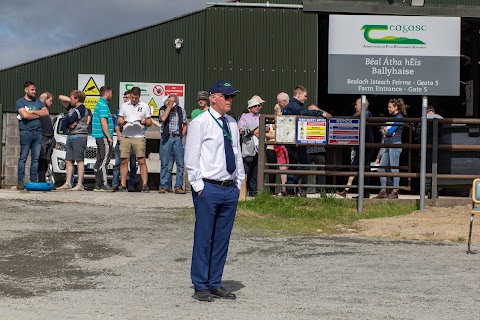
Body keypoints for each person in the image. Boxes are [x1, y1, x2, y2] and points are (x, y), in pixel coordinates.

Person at [184, 80, 245, 302]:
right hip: (208, 188)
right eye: (226, 96)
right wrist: (199, 186)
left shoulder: (230, 122)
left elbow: (236, 153)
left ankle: (215, 282)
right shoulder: (200, 122)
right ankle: (200, 284)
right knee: (204, 237)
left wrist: (239, 182)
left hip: (229, 188)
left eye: (232, 97)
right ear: (213, 97)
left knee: (222, 238)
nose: (230, 100)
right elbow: (191, 157)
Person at [281, 85, 331, 196]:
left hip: (290, 140)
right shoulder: (294, 106)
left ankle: (290, 190)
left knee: (293, 165)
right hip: (296, 140)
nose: (306, 98)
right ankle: (291, 183)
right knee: (305, 165)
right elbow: (304, 112)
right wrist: (320, 113)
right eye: (304, 96)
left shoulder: (289, 106)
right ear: (298, 95)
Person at [336, 98, 375, 199]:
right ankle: (364, 192)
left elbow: (361, 115)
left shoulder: (367, 113)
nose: (355, 106)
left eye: (357, 104)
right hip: (362, 145)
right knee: (363, 168)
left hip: (365, 146)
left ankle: (346, 190)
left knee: (355, 166)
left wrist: (352, 118)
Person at [117, 86, 152, 192]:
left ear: (139, 97)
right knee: (124, 160)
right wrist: (122, 122)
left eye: (136, 98)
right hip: (126, 136)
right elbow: (119, 120)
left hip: (139, 136)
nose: (134, 100)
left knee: (141, 160)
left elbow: (149, 122)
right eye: (132, 97)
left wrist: (144, 122)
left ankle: (145, 185)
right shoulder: (124, 106)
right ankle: (123, 184)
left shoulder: (145, 106)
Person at [16, 81, 49, 189]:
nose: (34, 92)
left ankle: (33, 181)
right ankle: (20, 182)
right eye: (32, 89)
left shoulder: (38, 102)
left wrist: (32, 112)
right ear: (26, 90)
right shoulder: (20, 102)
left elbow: (46, 113)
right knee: (23, 158)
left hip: (38, 133)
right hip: (26, 132)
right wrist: (38, 114)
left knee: (35, 159)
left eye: (35, 89)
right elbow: (24, 115)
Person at [153, 94, 188, 194]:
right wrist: (169, 106)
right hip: (166, 137)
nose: (172, 103)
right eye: (170, 101)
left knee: (180, 163)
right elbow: (162, 119)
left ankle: (178, 186)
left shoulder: (181, 110)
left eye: (173, 101)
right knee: (165, 163)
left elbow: (185, 124)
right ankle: (163, 186)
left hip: (177, 137)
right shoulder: (163, 109)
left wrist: (182, 135)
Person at [374, 98, 407, 199]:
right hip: (389, 145)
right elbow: (385, 131)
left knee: (394, 168)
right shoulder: (392, 117)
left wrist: (386, 130)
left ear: (396, 107)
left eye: (390, 107)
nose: (388, 108)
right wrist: (386, 131)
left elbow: (388, 131)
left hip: (395, 144)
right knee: (381, 167)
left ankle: (395, 190)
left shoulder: (399, 117)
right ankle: (383, 190)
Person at [57, 90, 89, 191]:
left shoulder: (81, 109)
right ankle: (67, 183)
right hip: (71, 135)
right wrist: (70, 100)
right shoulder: (72, 108)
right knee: (68, 160)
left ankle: (79, 184)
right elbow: (60, 97)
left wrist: (68, 122)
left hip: (79, 136)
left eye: (72, 98)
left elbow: (70, 119)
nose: (70, 100)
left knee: (79, 159)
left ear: (77, 99)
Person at [238, 96, 266, 195]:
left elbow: (267, 128)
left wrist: (252, 129)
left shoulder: (262, 117)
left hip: (259, 146)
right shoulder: (245, 117)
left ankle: (254, 189)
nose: (257, 107)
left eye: (259, 105)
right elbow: (241, 130)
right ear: (250, 107)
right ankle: (245, 187)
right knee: (248, 165)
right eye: (255, 106)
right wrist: (256, 130)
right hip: (248, 145)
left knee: (257, 167)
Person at [112, 90, 137, 192]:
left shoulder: (137, 109)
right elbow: (116, 124)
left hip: (134, 139)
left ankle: (131, 185)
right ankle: (115, 184)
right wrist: (118, 134)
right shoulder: (121, 109)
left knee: (133, 165)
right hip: (122, 139)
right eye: (124, 97)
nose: (125, 99)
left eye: (127, 97)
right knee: (119, 162)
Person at [92, 86, 114, 192]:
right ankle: (105, 184)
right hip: (104, 137)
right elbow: (103, 122)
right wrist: (109, 137)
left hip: (98, 136)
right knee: (104, 161)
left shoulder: (99, 104)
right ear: (108, 93)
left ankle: (98, 184)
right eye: (111, 93)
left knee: (99, 161)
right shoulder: (103, 105)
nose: (112, 95)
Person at [273, 92, 290, 196]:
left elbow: (280, 125)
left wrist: (278, 112)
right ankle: (284, 189)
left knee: (285, 167)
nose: (278, 104)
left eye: (279, 102)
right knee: (282, 167)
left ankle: (287, 189)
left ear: (284, 101)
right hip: (282, 143)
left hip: (287, 142)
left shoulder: (287, 111)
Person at [37, 92, 55, 183]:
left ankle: (44, 178)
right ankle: (41, 180)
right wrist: (44, 96)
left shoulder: (47, 113)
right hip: (42, 138)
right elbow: (41, 100)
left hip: (50, 139)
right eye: (50, 100)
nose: (51, 103)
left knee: (47, 160)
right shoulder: (40, 110)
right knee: (42, 159)